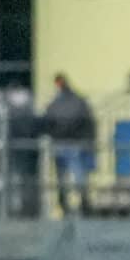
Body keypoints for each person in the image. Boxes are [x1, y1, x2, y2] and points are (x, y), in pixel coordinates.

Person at [43, 73, 98, 215]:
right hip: (73, 143)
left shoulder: (56, 103)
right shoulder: (78, 101)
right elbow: (88, 121)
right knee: (76, 175)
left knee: (66, 176)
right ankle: (81, 202)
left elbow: (48, 121)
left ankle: (67, 202)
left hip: (65, 143)